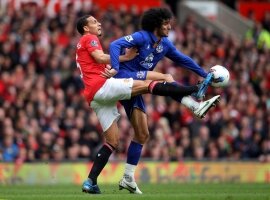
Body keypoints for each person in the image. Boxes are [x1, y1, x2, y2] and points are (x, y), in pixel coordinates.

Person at [76, 15, 220, 194]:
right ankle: (194, 99)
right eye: (165, 23)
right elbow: (106, 51)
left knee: (129, 137)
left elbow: (183, 59)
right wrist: (117, 64)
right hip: (116, 80)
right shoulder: (99, 38)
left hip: (98, 95)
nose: (169, 26)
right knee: (161, 79)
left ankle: (95, 181)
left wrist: (204, 73)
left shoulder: (164, 44)